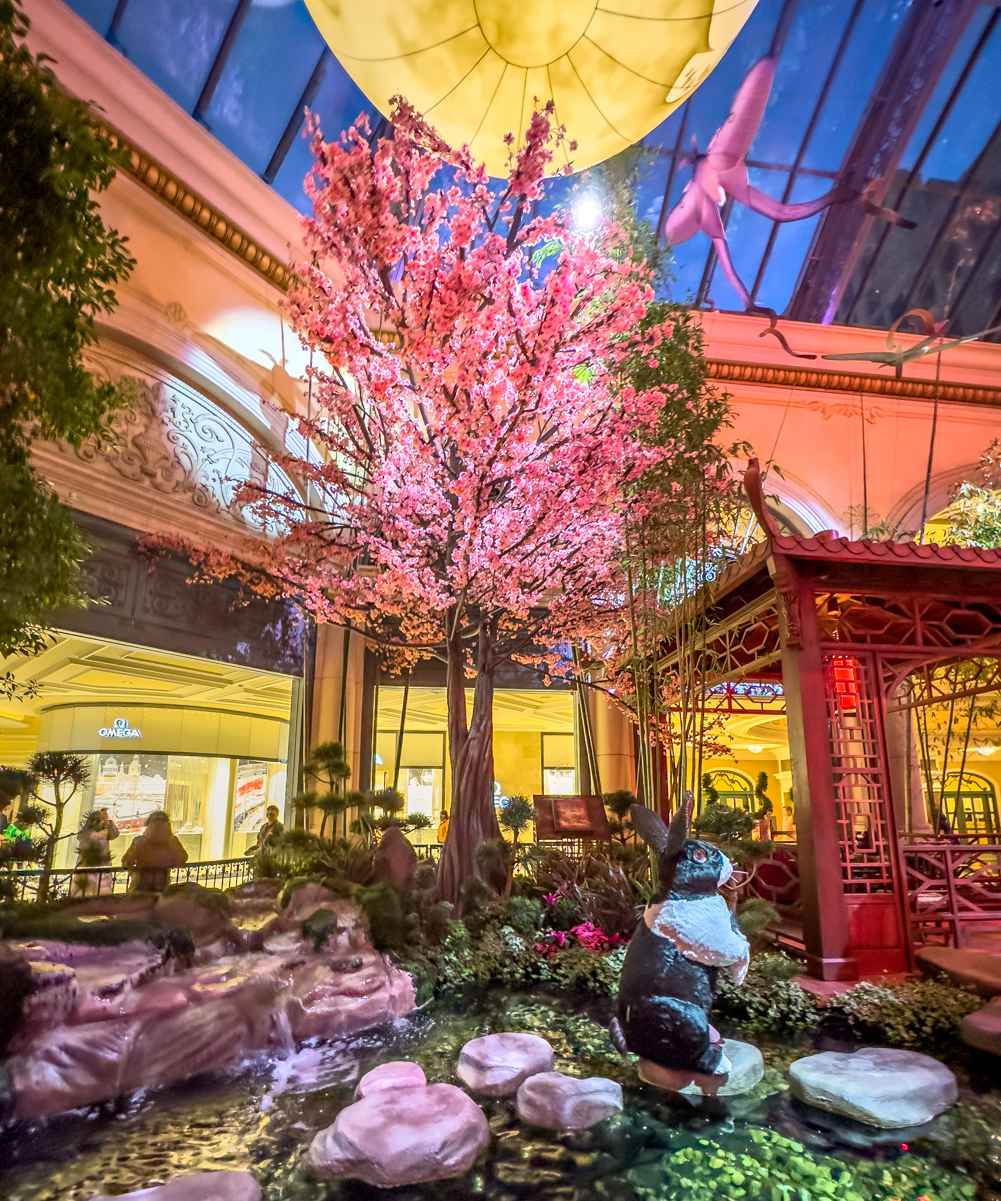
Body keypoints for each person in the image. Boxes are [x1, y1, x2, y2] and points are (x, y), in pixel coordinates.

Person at [121, 810, 188, 893]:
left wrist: (133, 873)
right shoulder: (172, 841)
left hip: (140, 887)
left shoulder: (139, 841)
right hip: (162, 889)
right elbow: (182, 859)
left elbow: (126, 862)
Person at [72, 808, 119, 896]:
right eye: (102, 820)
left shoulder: (101, 833)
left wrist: (108, 821)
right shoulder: (89, 834)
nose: (104, 822)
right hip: (89, 867)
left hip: (100, 868)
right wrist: (108, 822)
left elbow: (115, 834)